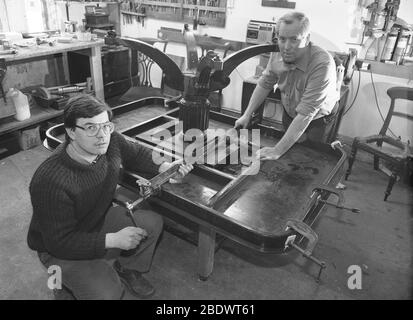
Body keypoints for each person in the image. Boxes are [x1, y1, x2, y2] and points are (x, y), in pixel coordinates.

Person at [27, 94, 193, 300]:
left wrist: (166, 167)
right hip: (57, 248)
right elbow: (59, 243)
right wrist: (113, 240)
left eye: (106, 125)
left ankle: (128, 268)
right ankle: (62, 283)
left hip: (93, 220)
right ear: (71, 132)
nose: (102, 135)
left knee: (151, 223)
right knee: (108, 293)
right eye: (90, 128)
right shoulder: (51, 181)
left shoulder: (111, 140)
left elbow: (138, 154)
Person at [235, 11, 339, 160]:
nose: (286, 47)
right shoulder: (278, 53)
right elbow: (265, 83)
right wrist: (247, 114)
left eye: (294, 40)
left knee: (309, 160)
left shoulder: (322, 64)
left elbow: (306, 113)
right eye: (282, 39)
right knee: (288, 156)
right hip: (291, 110)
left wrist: (277, 150)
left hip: (318, 117)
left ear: (307, 38)